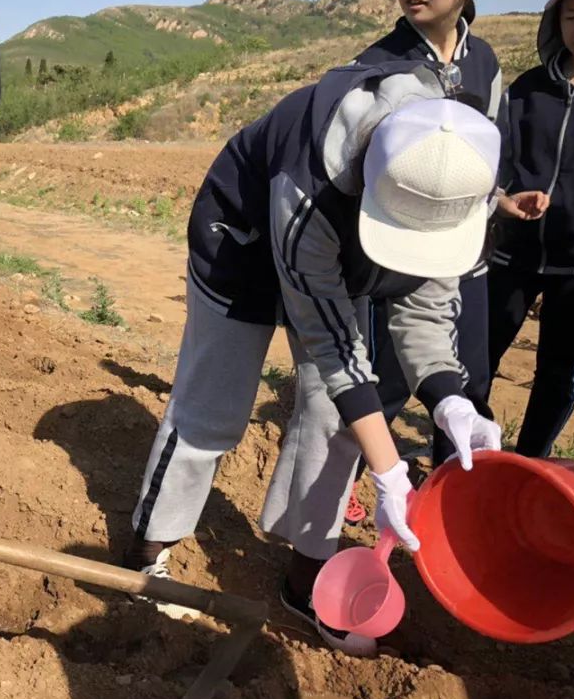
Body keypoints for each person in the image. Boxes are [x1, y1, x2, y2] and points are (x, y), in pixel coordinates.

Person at [125, 60, 503, 655]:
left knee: (334, 418)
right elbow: (333, 347)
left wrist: (451, 397)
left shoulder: (456, 174)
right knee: (213, 407)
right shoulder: (311, 187)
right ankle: (147, 555)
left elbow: (425, 309)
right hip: (243, 243)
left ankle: (308, 577)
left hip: (346, 250)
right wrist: (390, 472)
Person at [354, 0, 502, 468]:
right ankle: (352, 482)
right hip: (400, 253)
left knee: (468, 381)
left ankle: (452, 486)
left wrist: (500, 199)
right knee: (386, 382)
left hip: (468, 252)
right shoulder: (379, 70)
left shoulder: (484, 62)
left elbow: (487, 151)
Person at [487, 0, 574, 457]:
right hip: (513, 252)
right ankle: (460, 459)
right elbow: (495, 166)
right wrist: (503, 201)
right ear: (554, 20)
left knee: (559, 370)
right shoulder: (527, 90)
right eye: (570, 15)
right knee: (476, 358)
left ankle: (528, 465)